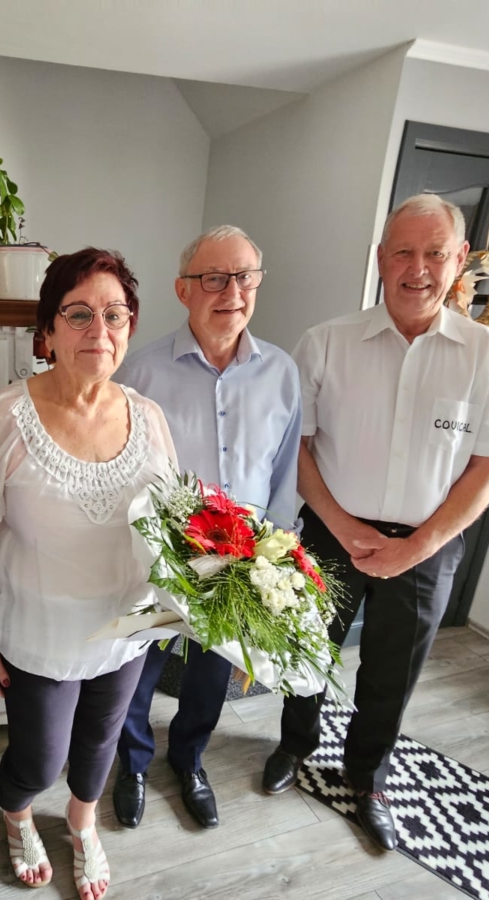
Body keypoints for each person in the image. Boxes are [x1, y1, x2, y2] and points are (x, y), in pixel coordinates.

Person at [260, 194, 489, 851]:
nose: (418, 269)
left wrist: (419, 544)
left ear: (460, 260)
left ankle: (368, 776)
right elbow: (296, 448)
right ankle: (294, 746)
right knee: (307, 652)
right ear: (381, 260)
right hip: (331, 528)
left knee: (392, 671)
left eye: (435, 253)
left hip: (430, 544)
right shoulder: (325, 342)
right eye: (404, 253)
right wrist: (343, 524)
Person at [0, 248, 177, 899]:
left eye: (114, 314)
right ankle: (17, 813)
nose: (98, 331)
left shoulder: (150, 418)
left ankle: (83, 823)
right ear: (46, 332)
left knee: (101, 742)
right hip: (39, 633)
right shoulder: (6, 419)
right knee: (39, 757)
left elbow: (175, 530)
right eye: (78, 314)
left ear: (130, 326)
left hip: (128, 628)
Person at [111, 226, 303, 830]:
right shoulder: (139, 372)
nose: (233, 291)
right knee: (136, 670)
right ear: (183, 290)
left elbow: (288, 467)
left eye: (246, 276)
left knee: (211, 674)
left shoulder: (282, 373)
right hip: (158, 559)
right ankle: (133, 763)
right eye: (214, 278)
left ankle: (189, 759)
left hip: (243, 563)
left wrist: (277, 554)